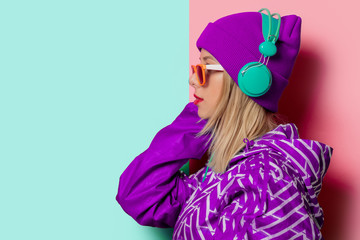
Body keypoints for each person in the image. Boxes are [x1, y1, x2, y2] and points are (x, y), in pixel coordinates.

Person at [116, 8, 333, 240]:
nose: (192, 79)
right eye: (196, 68)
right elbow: (140, 195)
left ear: (251, 81)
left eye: (206, 67)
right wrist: (205, 117)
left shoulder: (268, 181)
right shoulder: (220, 173)